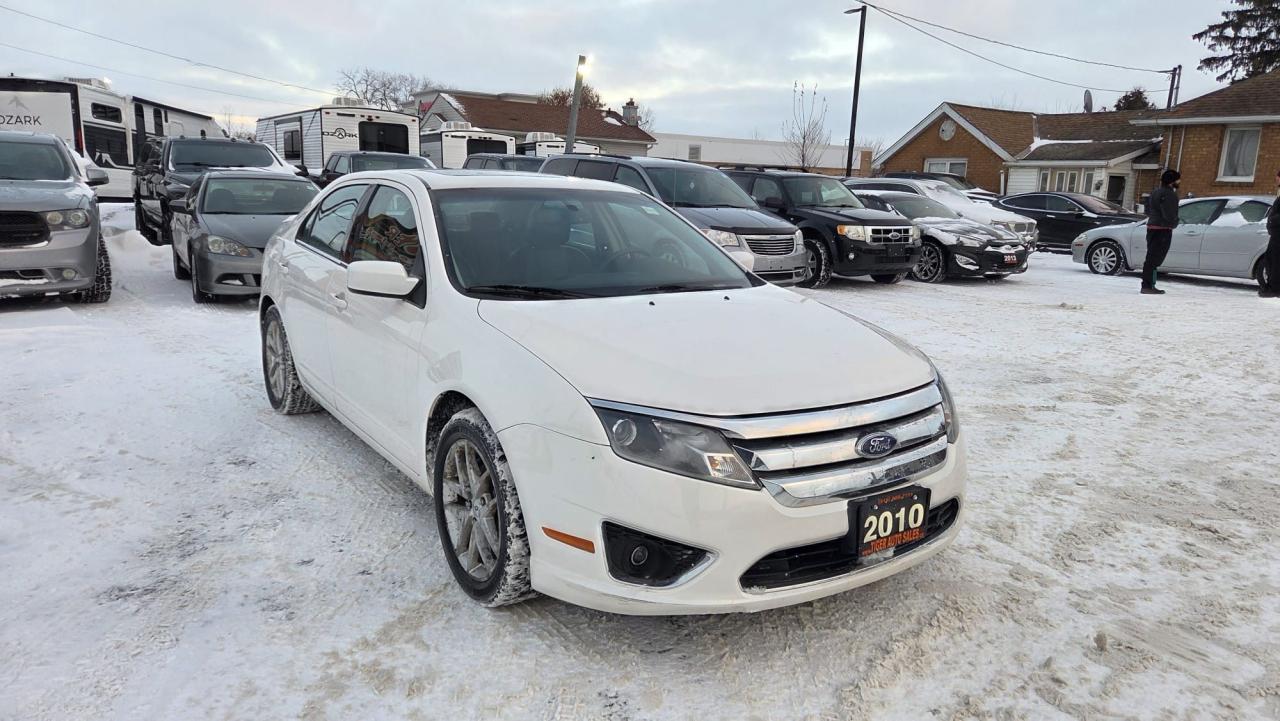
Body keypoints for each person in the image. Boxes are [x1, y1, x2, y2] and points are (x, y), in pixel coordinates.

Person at [1142, 169, 1180, 295]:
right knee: (1154, 259)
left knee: (1151, 257)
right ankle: (1147, 286)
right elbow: (1169, 214)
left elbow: (1148, 209)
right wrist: (1174, 223)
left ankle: (1149, 285)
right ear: (1172, 181)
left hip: (1152, 228)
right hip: (1162, 229)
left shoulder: (1155, 192)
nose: (1179, 182)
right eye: (1177, 179)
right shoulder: (1169, 194)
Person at [1263, 169, 1280, 298]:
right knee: (1270, 261)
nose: (1276, 179)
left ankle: (1274, 289)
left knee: (1275, 262)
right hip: (1275, 234)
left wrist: (1273, 220)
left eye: (1278, 177)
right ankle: (1272, 287)